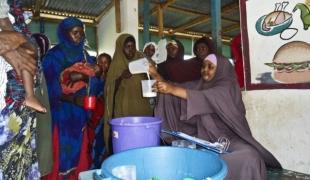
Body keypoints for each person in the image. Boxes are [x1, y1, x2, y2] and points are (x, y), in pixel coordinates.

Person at [149, 54, 282, 179]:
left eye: (210, 67)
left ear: (221, 69)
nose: (205, 70)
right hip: (205, 140)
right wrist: (156, 75)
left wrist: (171, 89)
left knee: (250, 157)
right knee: (190, 157)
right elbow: (175, 88)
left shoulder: (228, 86)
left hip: (230, 138)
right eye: (203, 66)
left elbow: (204, 97)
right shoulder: (200, 84)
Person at [42, 17, 102, 179]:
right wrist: (74, 99)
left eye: (82, 33)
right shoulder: (53, 57)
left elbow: (95, 82)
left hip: (79, 114)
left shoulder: (85, 56)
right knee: (60, 153)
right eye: (75, 33)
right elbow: (48, 89)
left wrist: (87, 76)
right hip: (61, 115)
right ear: (64, 33)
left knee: (79, 154)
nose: (80, 36)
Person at [0, 0, 40, 179]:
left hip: (17, 112)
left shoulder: (11, 18)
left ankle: (30, 95)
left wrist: (18, 40)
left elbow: (31, 52)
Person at [104, 34, 153, 155]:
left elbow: (152, 77)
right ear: (121, 48)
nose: (130, 49)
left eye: (133, 46)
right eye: (127, 46)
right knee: (126, 145)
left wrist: (150, 68)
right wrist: (120, 77)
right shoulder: (116, 65)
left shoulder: (141, 60)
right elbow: (108, 91)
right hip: (124, 113)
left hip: (142, 111)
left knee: (143, 144)